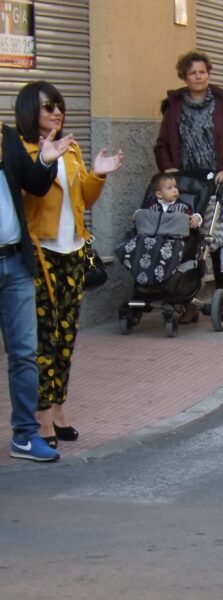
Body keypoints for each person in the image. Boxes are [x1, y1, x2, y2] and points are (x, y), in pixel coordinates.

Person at [17, 81, 122, 451]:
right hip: (42, 255)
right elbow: (29, 197)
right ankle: (42, 415)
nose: (57, 112)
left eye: (59, 106)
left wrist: (99, 174)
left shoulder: (71, 149)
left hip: (74, 252)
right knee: (43, 340)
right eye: (49, 107)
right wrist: (44, 159)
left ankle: (60, 410)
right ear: (31, 111)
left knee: (65, 340)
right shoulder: (24, 150)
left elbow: (84, 199)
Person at [1, 98, 72, 462]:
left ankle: (25, 435)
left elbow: (33, 185)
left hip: (14, 262)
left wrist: (46, 159)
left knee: (25, 355)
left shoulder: (6, 138)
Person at [154, 50, 223, 292]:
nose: (198, 76)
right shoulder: (173, 108)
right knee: (187, 234)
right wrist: (169, 168)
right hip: (184, 183)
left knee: (214, 235)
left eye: (202, 72)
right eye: (193, 73)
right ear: (184, 76)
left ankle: (221, 289)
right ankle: (187, 290)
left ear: (208, 74)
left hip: (215, 181)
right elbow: (162, 144)